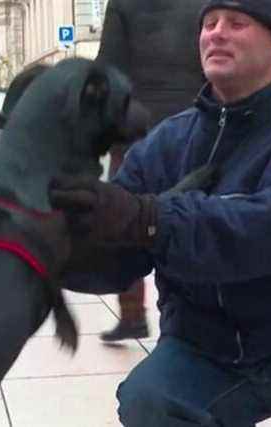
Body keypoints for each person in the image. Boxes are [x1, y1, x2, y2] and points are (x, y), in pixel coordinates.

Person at [50, 0, 271, 425]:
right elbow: (117, 261)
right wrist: (54, 243)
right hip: (202, 339)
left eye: (237, 23)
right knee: (147, 398)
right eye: (209, 24)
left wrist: (154, 218)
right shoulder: (163, 144)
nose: (216, 33)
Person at [93, 0, 206, 342]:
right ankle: (199, 317)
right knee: (198, 220)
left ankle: (132, 316)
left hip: (136, 131)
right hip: (197, 123)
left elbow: (108, 69)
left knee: (124, 224)